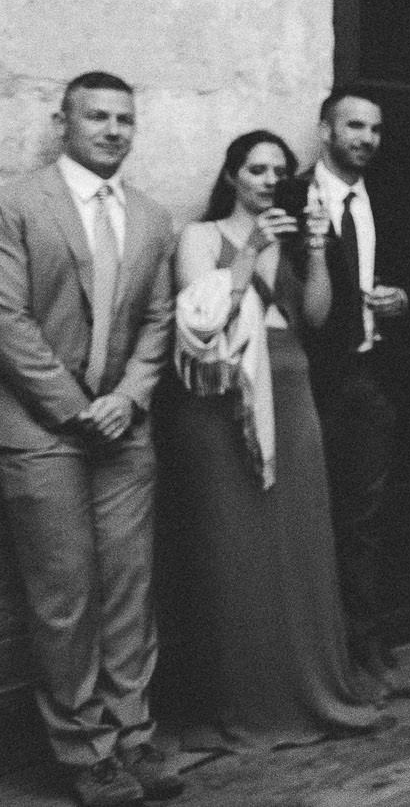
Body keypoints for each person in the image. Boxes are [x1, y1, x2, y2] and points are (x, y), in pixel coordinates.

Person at [157, 130, 388, 749]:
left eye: (278, 172)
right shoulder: (200, 237)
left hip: (291, 389)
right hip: (224, 402)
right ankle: (248, 697)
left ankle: (308, 684)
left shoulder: (292, 239)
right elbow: (202, 317)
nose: (268, 181)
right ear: (231, 175)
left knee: (298, 539)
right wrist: (252, 247)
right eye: (256, 169)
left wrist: (314, 252)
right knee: (235, 543)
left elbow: (315, 317)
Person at [0, 72, 184, 806]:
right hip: (41, 428)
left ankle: (132, 735)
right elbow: (6, 319)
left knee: (129, 591)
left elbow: (159, 321)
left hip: (124, 431)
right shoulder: (17, 203)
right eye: (97, 116)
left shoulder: (151, 216)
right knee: (64, 598)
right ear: (63, 122)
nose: (112, 130)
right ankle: (86, 751)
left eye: (124, 119)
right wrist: (79, 409)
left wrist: (128, 398)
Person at [301, 87, 410, 676]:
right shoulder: (293, 196)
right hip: (306, 382)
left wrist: (402, 299)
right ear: (325, 131)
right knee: (303, 516)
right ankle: (312, 653)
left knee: (363, 519)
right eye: (354, 126)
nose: (367, 139)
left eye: (374, 129)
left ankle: (363, 642)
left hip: (370, 379)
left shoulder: (388, 199)